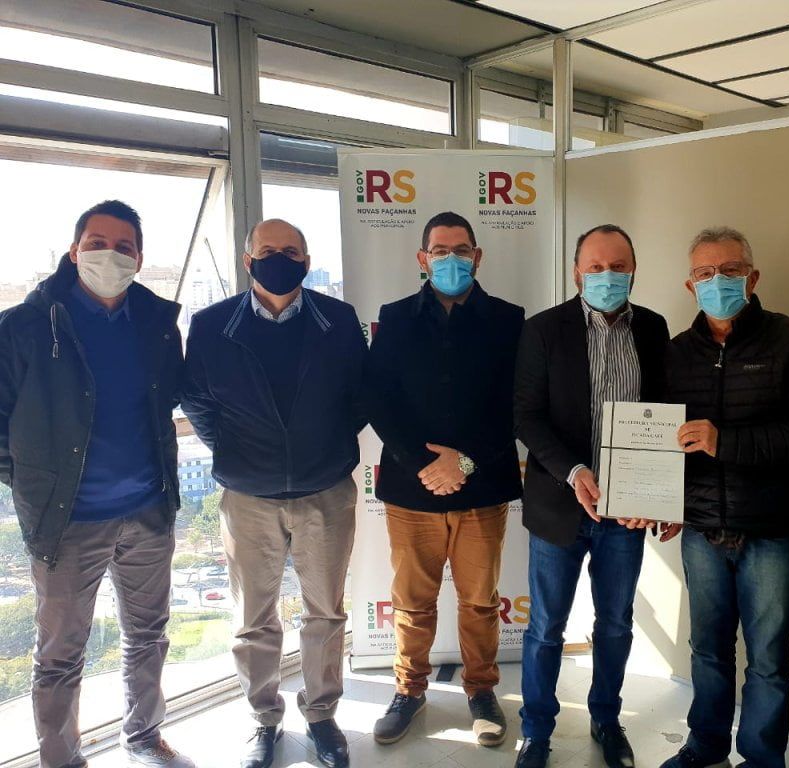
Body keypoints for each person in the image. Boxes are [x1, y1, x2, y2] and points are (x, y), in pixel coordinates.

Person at [0, 200, 193, 768]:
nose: (110, 255)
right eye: (97, 243)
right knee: (60, 653)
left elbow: (165, 402)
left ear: (139, 258)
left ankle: (144, 737)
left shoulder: (157, 323)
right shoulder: (24, 327)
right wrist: (37, 488)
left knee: (149, 635)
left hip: (148, 511)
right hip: (68, 521)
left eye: (124, 246)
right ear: (74, 251)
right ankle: (61, 759)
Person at [182, 219, 367, 768]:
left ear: (306, 261)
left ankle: (322, 714)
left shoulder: (338, 319)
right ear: (248, 261)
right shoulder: (212, 325)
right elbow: (198, 402)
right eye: (268, 250)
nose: (279, 259)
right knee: (253, 618)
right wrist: (236, 451)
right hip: (248, 496)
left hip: (325, 490)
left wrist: (327, 446)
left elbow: (360, 395)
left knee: (325, 612)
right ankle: (263, 718)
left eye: (291, 251)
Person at [658, 227, 789, 768]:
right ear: (690, 285)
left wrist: (725, 442)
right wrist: (663, 501)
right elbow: (662, 441)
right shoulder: (676, 353)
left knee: (768, 660)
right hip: (701, 530)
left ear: (752, 278)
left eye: (730, 270)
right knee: (707, 652)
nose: (718, 281)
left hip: (773, 531)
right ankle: (705, 746)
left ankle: (760, 758)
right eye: (705, 273)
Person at [513, 224, 671, 768]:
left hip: (627, 511)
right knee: (545, 627)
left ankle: (607, 718)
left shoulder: (653, 328)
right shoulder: (543, 330)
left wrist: (659, 494)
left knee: (616, 624)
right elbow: (526, 416)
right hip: (560, 505)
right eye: (596, 267)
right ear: (577, 271)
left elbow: (663, 414)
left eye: (618, 266)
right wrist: (574, 471)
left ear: (634, 270)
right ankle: (536, 731)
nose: (608, 275)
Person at [366, 211, 525, 747]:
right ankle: (408, 691)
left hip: (483, 486)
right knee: (412, 602)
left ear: (477, 257)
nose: (451, 259)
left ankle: (481, 691)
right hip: (412, 488)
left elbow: (517, 403)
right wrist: (423, 463)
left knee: (480, 601)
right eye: (440, 250)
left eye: (461, 250)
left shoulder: (509, 320)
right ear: (423, 258)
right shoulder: (395, 317)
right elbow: (378, 398)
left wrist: (466, 460)